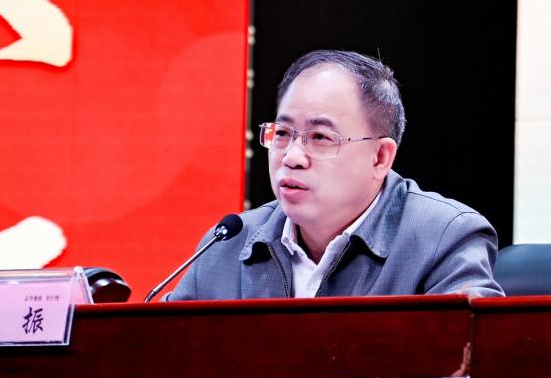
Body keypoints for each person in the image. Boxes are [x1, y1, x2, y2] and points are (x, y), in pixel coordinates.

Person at [166, 49, 503, 300]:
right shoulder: (228, 245)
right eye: (282, 133)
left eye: (320, 137)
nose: (292, 157)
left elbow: (471, 363)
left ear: (380, 157)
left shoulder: (444, 238)